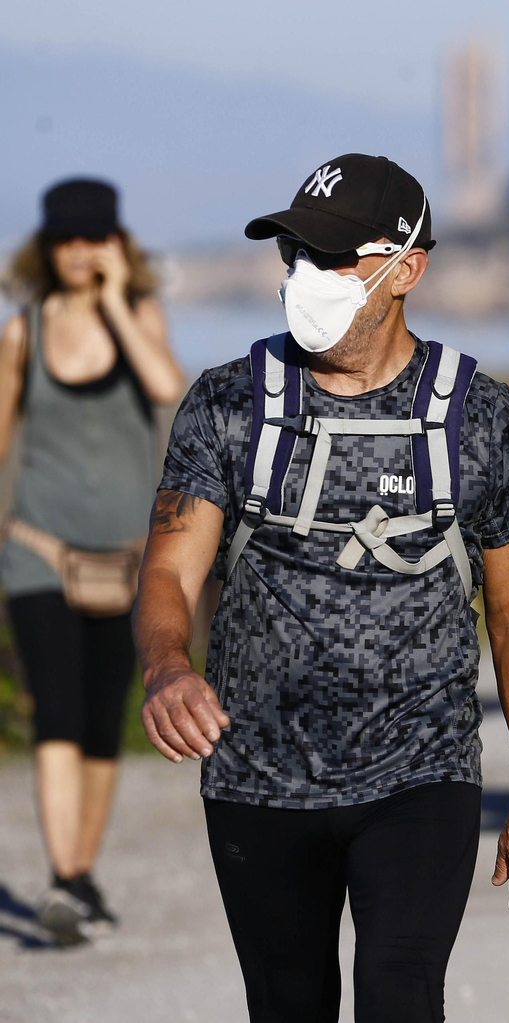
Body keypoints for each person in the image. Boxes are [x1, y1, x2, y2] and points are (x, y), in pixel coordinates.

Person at [132, 154, 509, 1022]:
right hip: (258, 777)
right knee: (287, 1003)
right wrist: (167, 667)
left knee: (400, 992)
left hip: (422, 771)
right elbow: (169, 571)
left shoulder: (484, 418)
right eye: (293, 251)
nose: (306, 274)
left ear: (407, 269)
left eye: (333, 256)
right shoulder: (229, 403)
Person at [0, 179, 184, 945]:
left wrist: (115, 303)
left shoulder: (139, 315)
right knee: (57, 710)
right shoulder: (21, 332)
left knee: (106, 719)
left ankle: (79, 874)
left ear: (116, 243)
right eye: (67, 240)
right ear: (48, 247)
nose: (79, 253)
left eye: (94, 239)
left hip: (127, 560)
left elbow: (167, 386)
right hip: (37, 552)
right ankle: (63, 877)